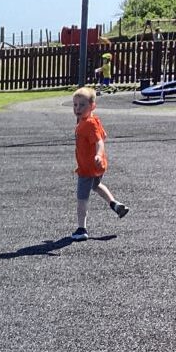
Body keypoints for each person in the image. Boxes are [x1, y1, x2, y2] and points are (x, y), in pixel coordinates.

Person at [70, 86, 128, 241]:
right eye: (75, 105)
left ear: (92, 106)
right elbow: (104, 135)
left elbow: (99, 142)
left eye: (82, 105)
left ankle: (81, 229)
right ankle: (114, 204)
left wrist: (98, 154)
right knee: (96, 186)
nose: (78, 108)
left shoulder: (89, 124)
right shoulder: (93, 120)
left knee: (82, 199)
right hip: (96, 167)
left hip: (88, 168)